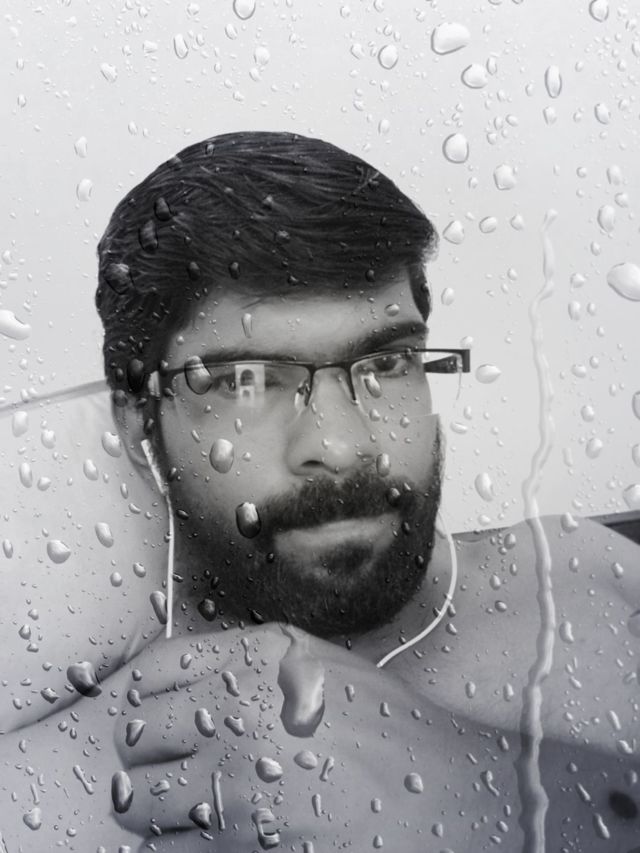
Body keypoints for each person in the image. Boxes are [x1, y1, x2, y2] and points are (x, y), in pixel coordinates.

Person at [1, 131, 639, 852]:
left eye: (386, 362)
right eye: (245, 381)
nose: (340, 446)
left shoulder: (594, 592)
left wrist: (482, 793)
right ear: (136, 417)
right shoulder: (82, 757)